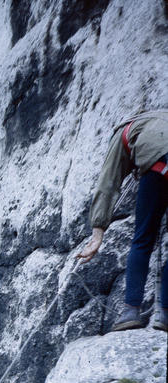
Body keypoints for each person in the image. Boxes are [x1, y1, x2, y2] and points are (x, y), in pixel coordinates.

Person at [77, 110, 168, 331]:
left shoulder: (123, 134)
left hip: (157, 167)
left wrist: (97, 234)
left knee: (142, 239)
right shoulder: (161, 118)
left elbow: (108, 183)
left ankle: (130, 312)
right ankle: (165, 315)